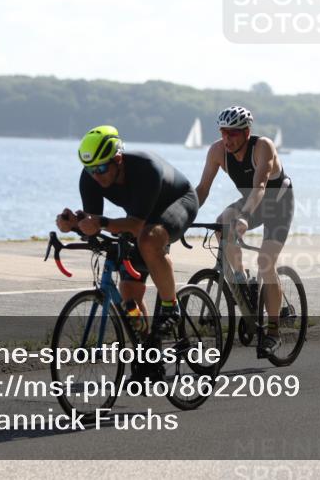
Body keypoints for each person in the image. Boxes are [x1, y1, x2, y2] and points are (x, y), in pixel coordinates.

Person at [55, 125, 199, 340]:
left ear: (118, 159)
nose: (96, 176)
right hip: (141, 218)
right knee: (129, 296)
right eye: (90, 169)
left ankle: (171, 307)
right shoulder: (90, 178)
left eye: (101, 168)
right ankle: (148, 355)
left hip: (177, 203)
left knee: (149, 239)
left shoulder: (145, 168)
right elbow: (93, 226)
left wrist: (101, 222)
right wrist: (74, 225)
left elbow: (134, 225)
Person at [194, 106, 294, 358]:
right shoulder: (217, 151)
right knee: (222, 222)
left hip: (277, 204)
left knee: (265, 262)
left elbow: (260, 186)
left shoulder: (263, 147)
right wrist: (181, 215)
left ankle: (273, 332)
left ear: (247, 132)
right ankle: (241, 279)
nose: (228, 138)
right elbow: (202, 189)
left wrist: (246, 218)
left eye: (234, 133)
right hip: (251, 201)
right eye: (223, 132)